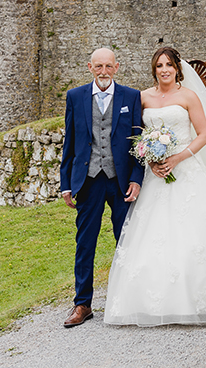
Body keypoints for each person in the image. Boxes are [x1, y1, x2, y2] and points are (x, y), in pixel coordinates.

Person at [104, 47, 206, 326]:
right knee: (153, 235)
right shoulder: (142, 97)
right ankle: (152, 302)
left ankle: (202, 299)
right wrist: (150, 159)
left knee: (195, 233)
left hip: (185, 168)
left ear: (177, 69)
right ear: (154, 70)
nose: (164, 70)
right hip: (155, 174)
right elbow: (135, 135)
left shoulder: (188, 96)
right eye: (159, 66)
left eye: (169, 65)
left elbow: (204, 134)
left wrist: (178, 157)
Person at [59, 47, 144, 328]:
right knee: (85, 243)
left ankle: (130, 299)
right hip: (89, 179)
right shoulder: (75, 96)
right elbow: (69, 143)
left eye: (108, 66)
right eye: (99, 66)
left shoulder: (131, 97)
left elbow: (138, 142)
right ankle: (82, 304)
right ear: (90, 67)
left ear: (117, 67)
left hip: (120, 181)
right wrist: (66, 184)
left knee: (126, 240)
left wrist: (136, 178)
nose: (104, 71)